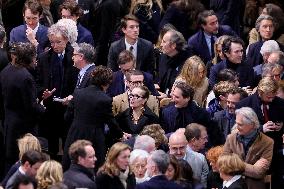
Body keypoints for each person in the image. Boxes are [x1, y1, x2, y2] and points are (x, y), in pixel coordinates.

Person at [62, 66, 124, 170]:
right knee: (93, 167)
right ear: (107, 83)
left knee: (71, 163)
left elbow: (67, 117)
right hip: (94, 137)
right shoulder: (105, 99)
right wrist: (120, 135)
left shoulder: (78, 93)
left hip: (75, 133)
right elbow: (110, 121)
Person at [36, 22, 79, 159]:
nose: (55, 46)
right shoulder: (44, 58)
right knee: (52, 142)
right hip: (51, 107)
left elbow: (81, 82)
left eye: (58, 42)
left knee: (68, 141)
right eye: (52, 42)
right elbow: (38, 82)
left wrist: (73, 96)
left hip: (69, 105)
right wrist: (43, 93)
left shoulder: (75, 56)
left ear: (66, 40)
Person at [0, 42, 45, 170]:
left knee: (10, 159)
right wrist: (42, 107)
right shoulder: (25, 77)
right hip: (23, 127)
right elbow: (30, 107)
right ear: (29, 58)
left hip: (8, 122)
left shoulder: (6, 70)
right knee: (24, 161)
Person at [236, 78, 284, 188]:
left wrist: (282, 126)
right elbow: (240, 131)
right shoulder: (244, 105)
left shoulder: (280, 103)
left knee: (276, 182)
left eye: (273, 96)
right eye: (268, 97)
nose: (271, 100)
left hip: (274, 150)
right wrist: (261, 128)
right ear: (260, 92)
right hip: (254, 152)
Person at [223, 107, 274, 189]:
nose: (237, 127)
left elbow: (259, 172)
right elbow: (223, 164)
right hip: (233, 186)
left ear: (252, 124)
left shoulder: (267, 142)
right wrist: (252, 168)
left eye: (240, 124)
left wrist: (233, 162)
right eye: (236, 123)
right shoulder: (231, 138)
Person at [158, 29, 190, 94]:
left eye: (164, 42)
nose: (161, 44)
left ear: (173, 46)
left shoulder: (187, 62)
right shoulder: (163, 57)